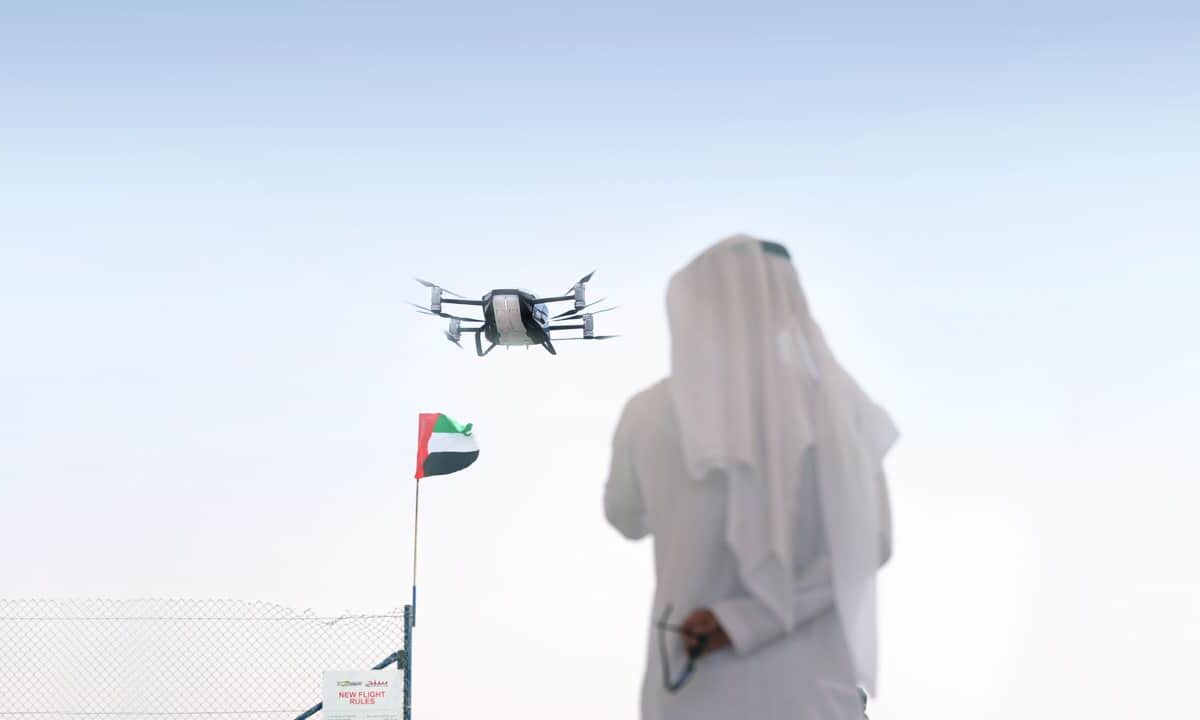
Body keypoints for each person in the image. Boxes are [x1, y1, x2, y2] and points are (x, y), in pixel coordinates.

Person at [604, 234, 898, 720]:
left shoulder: (647, 412)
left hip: (692, 684)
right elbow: (871, 543)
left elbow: (624, 516)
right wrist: (749, 619)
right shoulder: (840, 412)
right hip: (810, 695)